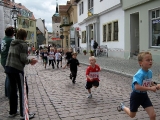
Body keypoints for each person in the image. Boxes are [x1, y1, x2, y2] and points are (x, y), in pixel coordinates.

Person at [5, 29, 37, 119]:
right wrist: (31, 61)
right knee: (23, 90)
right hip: (17, 69)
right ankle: (24, 113)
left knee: (13, 90)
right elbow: (23, 59)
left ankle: (13, 111)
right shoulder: (23, 44)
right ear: (24, 37)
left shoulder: (13, 43)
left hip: (8, 68)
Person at [117, 52, 159, 120]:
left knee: (153, 115)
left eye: (151, 60)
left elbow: (147, 81)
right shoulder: (139, 74)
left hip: (144, 96)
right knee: (132, 115)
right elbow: (137, 87)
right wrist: (151, 88)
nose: (150, 61)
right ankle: (123, 107)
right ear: (140, 63)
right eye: (148, 60)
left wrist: (155, 85)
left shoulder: (150, 72)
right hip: (136, 96)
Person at [1, 27, 14, 98]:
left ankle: (6, 92)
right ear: (12, 33)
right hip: (7, 60)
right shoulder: (11, 40)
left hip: (3, 59)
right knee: (10, 77)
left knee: (7, 76)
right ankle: (9, 93)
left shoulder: (4, 39)